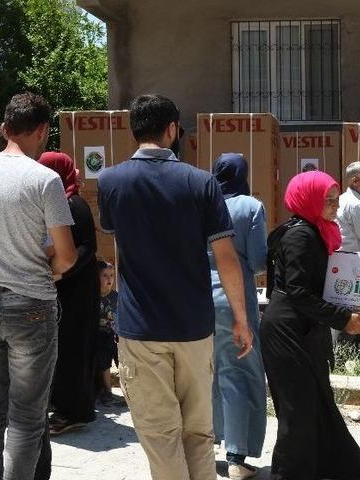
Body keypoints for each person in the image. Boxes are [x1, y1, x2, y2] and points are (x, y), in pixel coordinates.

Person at [97, 94, 252, 480]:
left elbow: (113, 244)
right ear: (171, 130)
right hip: (194, 329)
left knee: (160, 434)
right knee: (199, 432)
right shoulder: (201, 183)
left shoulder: (111, 181)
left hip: (141, 330)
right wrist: (241, 319)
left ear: (134, 130)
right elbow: (227, 258)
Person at [0, 92, 78, 480]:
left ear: (6, 126)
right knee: (27, 418)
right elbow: (67, 255)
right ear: (43, 130)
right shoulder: (45, 180)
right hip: (29, 304)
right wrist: (50, 267)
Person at [261, 171, 360, 480]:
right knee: (298, 411)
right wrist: (342, 319)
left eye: (336, 199)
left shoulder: (312, 230)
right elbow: (297, 291)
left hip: (303, 328)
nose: (335, 206)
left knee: (315, 403)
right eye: (328, 200)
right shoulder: (301, 235)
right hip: (288, 331)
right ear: (309, 200)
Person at [210, 153, 268, 480]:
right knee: (240, 374)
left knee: (207, 375)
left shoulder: (202, 203)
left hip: (198, 301)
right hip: (235, 302)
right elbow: (259, 261)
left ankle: (207, 445)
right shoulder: (250, 207)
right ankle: (236, 455)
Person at [38, 151, 100, 435]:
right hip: (62, 287)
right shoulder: (55, 201)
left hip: (77, 289)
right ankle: (66, 406)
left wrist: (62, 272)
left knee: (73, 348)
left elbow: (88, 248)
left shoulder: (75, 204)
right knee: (63, 349)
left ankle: (73, 412)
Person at [95, 260, 121, 406]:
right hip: (100, 336)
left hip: (115, 335)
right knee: (104, 364)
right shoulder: (93, 297)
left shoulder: (116, 297)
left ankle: (128, 390)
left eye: (111, 275)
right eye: (105, 275)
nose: (109, 279)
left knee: (121, 362)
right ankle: (108, 390)